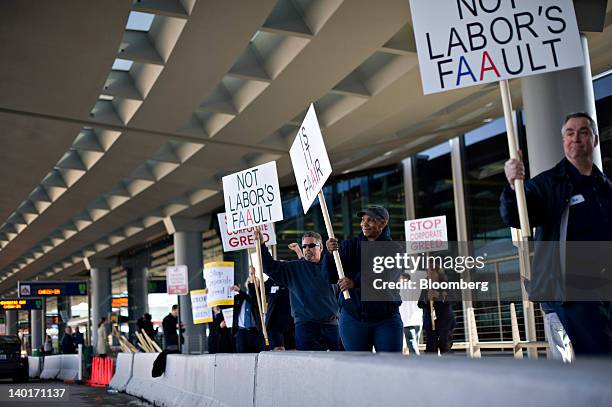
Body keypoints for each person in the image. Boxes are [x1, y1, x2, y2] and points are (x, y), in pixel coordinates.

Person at [500, 112, 612, 356]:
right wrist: (512, 185)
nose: (576, 137)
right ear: (564, 142)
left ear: (595, 141)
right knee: (599, 353)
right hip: (573, 288)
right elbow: (516, 216)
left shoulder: (605, 186)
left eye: (583, 131)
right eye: (570, 133)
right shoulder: (548, 185)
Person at [325, 205, 403, 352]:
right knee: (358, 369)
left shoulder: (394, 248)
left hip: (386, 319)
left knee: (392, 367)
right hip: (353, 318)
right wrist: (330, 254)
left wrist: (355, 282)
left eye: (370, 220)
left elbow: (385, 277)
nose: (364, 224)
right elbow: (329, 276)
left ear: (383, 223)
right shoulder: (349, 246)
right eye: (362, 220)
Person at [260, 231, 340, 351]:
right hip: (306, 326)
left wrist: (332, 252)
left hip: (332, 324)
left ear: (321, 247)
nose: (307, 249)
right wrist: (261, 245)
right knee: (309, 365)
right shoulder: (293, 268)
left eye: (312, 245)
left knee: (338, 364)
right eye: (304, 246)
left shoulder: (333, 265)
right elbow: (270, 267)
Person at [418, 269, 456, 354]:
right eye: (428, 273)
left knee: (445, 347)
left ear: (438, 273)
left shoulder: (446, 284)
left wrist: (439, 295)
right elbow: (420, 303)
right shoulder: (426, 286)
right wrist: (426, 298)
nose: (430, 275)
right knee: (430, 349)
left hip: (445, 321)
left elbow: (454, 299)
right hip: (431, 322)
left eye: (432, 273)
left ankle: (449, 366)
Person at [233, 273, 265, 353]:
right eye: (249, 280)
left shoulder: (261, 297)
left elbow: (252, 299)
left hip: (255, 332)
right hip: (242, 332)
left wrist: (240, 291)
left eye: (254, 281)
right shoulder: (239, 297)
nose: (251, 282)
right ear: (245, 284)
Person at [399, 272, 425, 355]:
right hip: (418, 321)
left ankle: (418, 361)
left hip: (407, 321)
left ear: (403, 279)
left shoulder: (400, 289)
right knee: (415, 344)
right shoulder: (417, 288)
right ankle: (415, 362)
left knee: (412, 344)